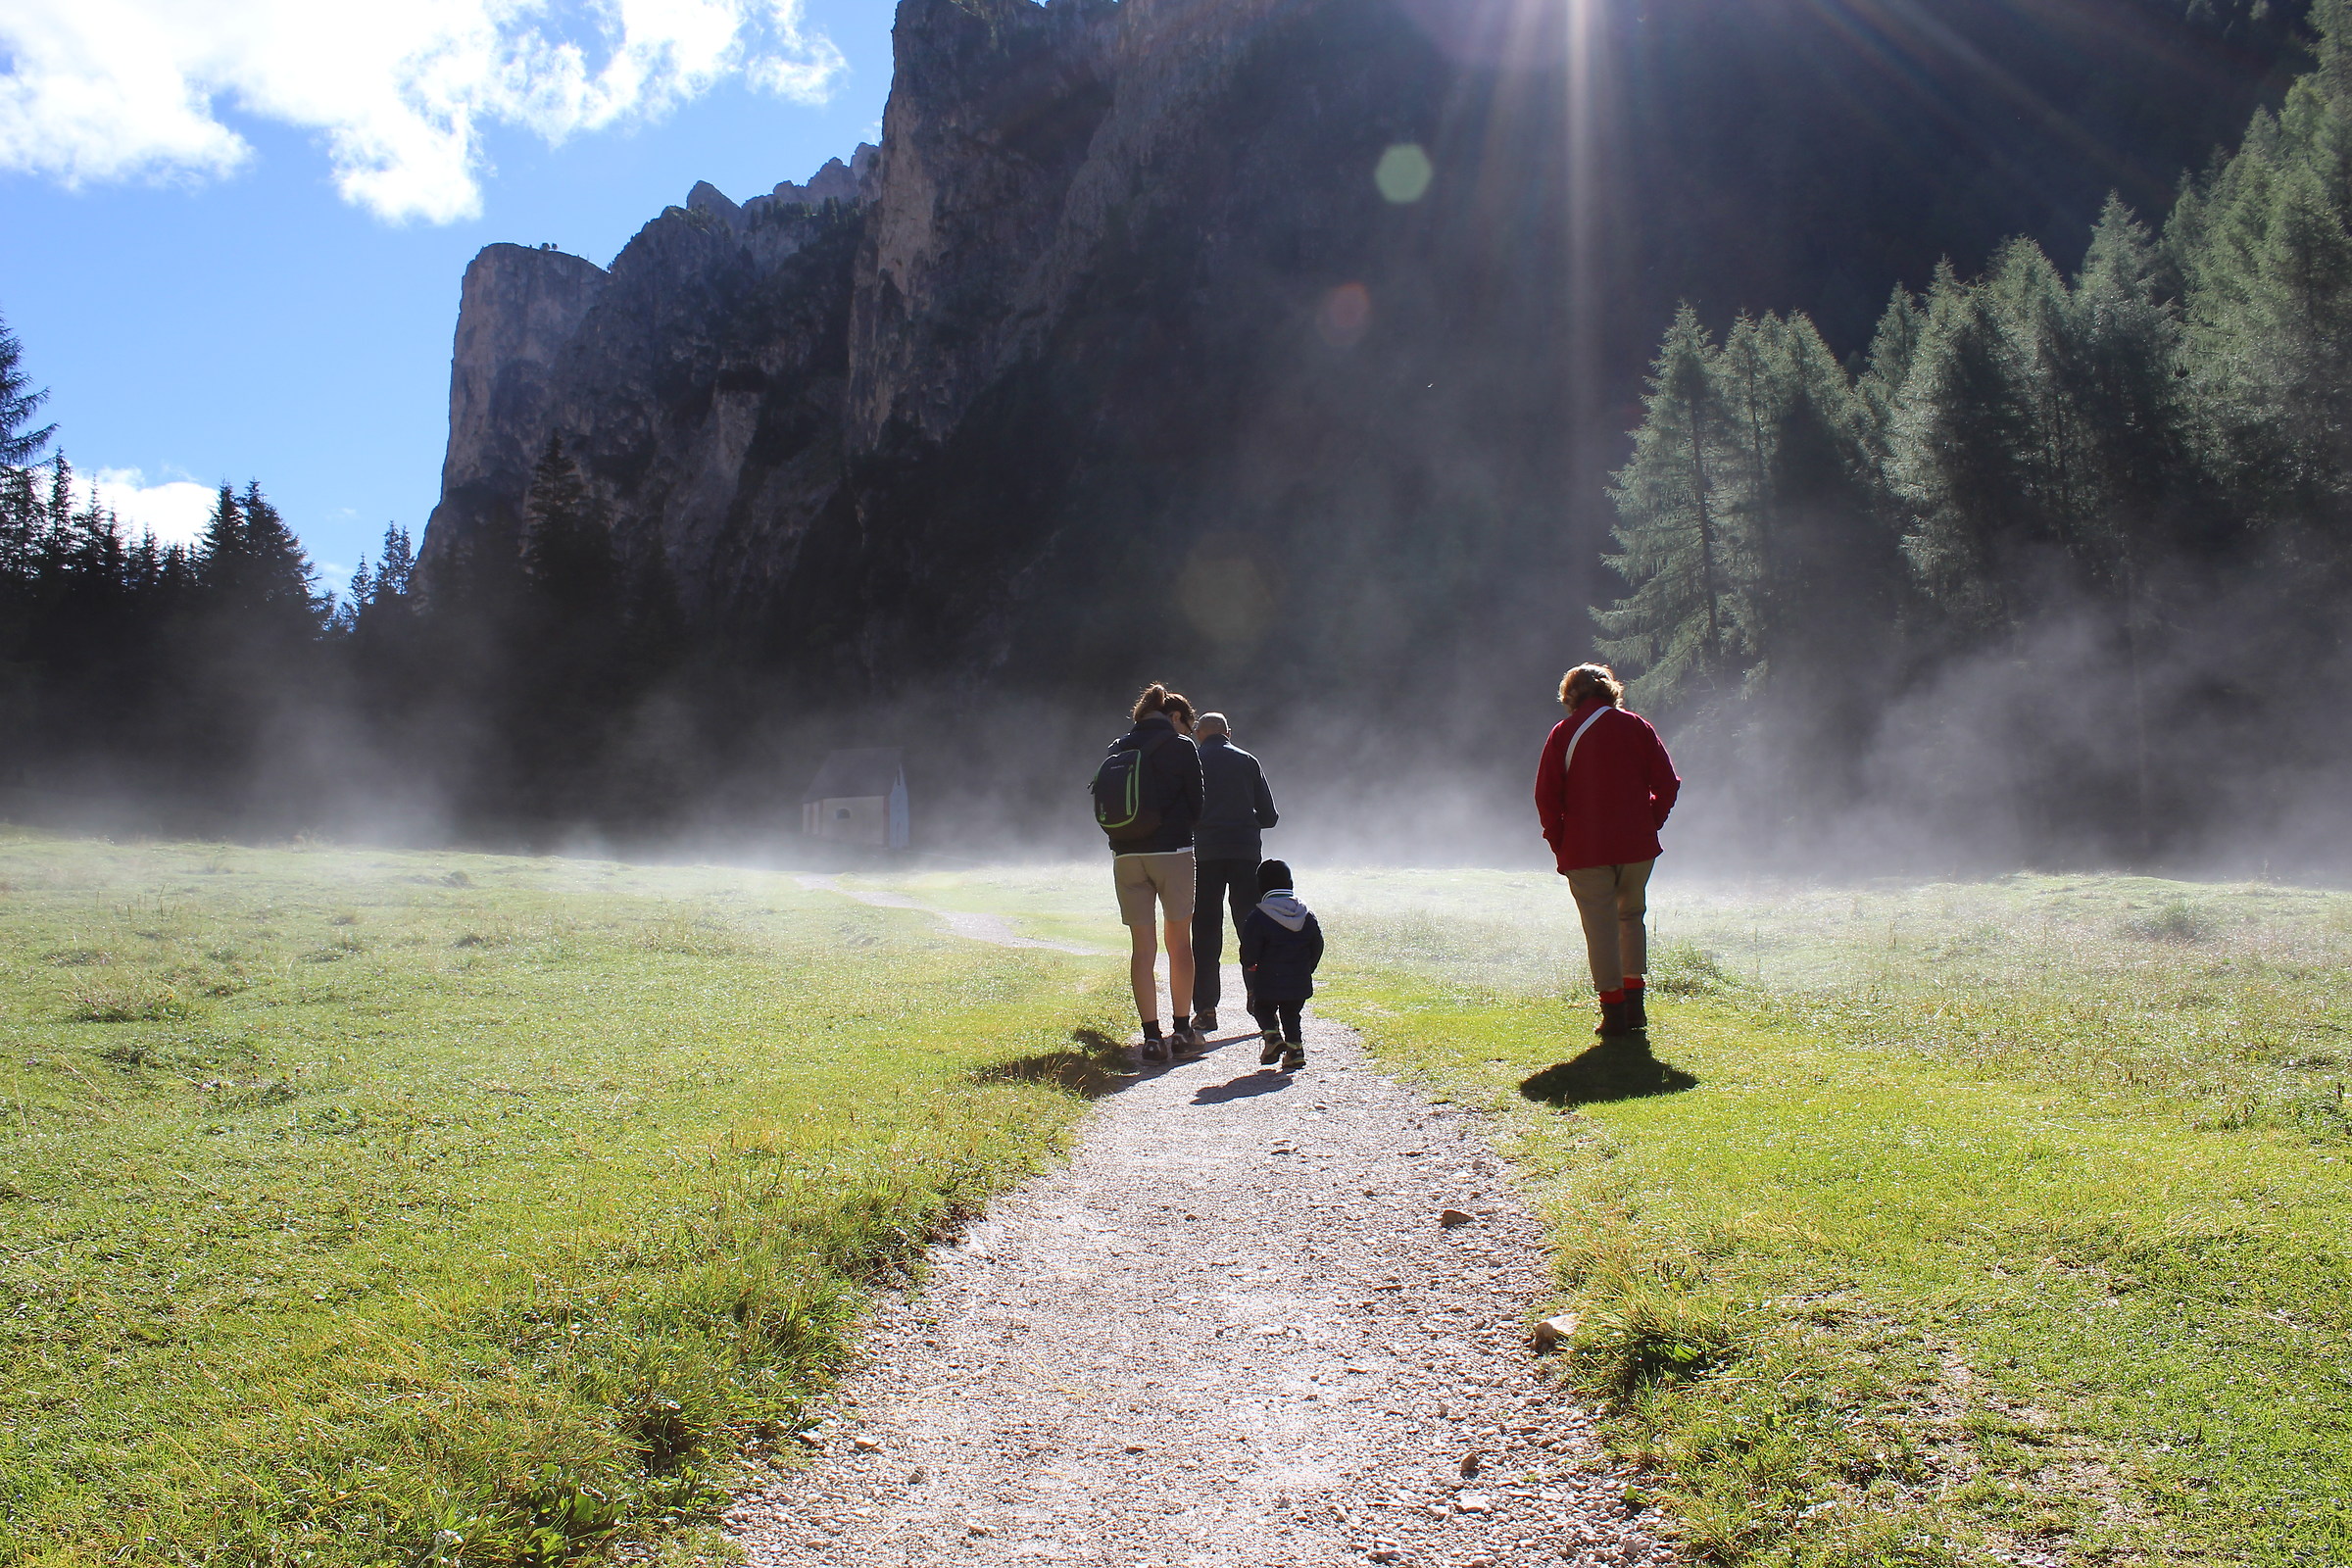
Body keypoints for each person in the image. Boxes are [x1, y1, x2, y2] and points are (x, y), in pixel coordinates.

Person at [1533, 662, 1681, 1038]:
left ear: (1571, 695)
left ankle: (1613, 1013)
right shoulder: (1637, 726)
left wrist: (1558, 842)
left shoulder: (1563, 733)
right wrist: (1652, 822)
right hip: (1636, 845)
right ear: (1610, 690)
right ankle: (1635, 1007)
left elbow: (1547, 796)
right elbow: (1668, 783)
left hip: (1585, 848)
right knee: (1630, 918)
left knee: (1600, 929)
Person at [1094, 682, 1206, 1062]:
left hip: (1126, 856)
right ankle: (1182, 1030)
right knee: (1179, 943)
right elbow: (1197, 806)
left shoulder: (1118, 747)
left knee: (1143, 949)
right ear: (1170, 716)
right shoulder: (1181, 747)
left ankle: (1151, 1038)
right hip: (1172, 852)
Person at [1188, 710, 1280, 1032]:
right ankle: (1258, 995)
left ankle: (1206, 1009)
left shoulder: (1192, 760)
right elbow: (1270, 817)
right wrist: (1245, 818)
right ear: (1229, 732)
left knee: (1205, 931)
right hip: (1244, 854)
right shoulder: (1248, 761)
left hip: (1206, 855)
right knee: (1250, 928)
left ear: (1198, 732)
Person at [1238, 858, 1323, 1074]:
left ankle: (1272, 1036)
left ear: (1261, 887)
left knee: (1262, 1007)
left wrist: (1249, 965)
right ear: (1290, 884)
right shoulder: (1306, 915)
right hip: (1299, 980)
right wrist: (1308, 967)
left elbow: (1249, 948)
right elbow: (1317, 944)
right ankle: (1295, 1051)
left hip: (1268, 979)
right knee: (1292, 1014)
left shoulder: (1259, 917)